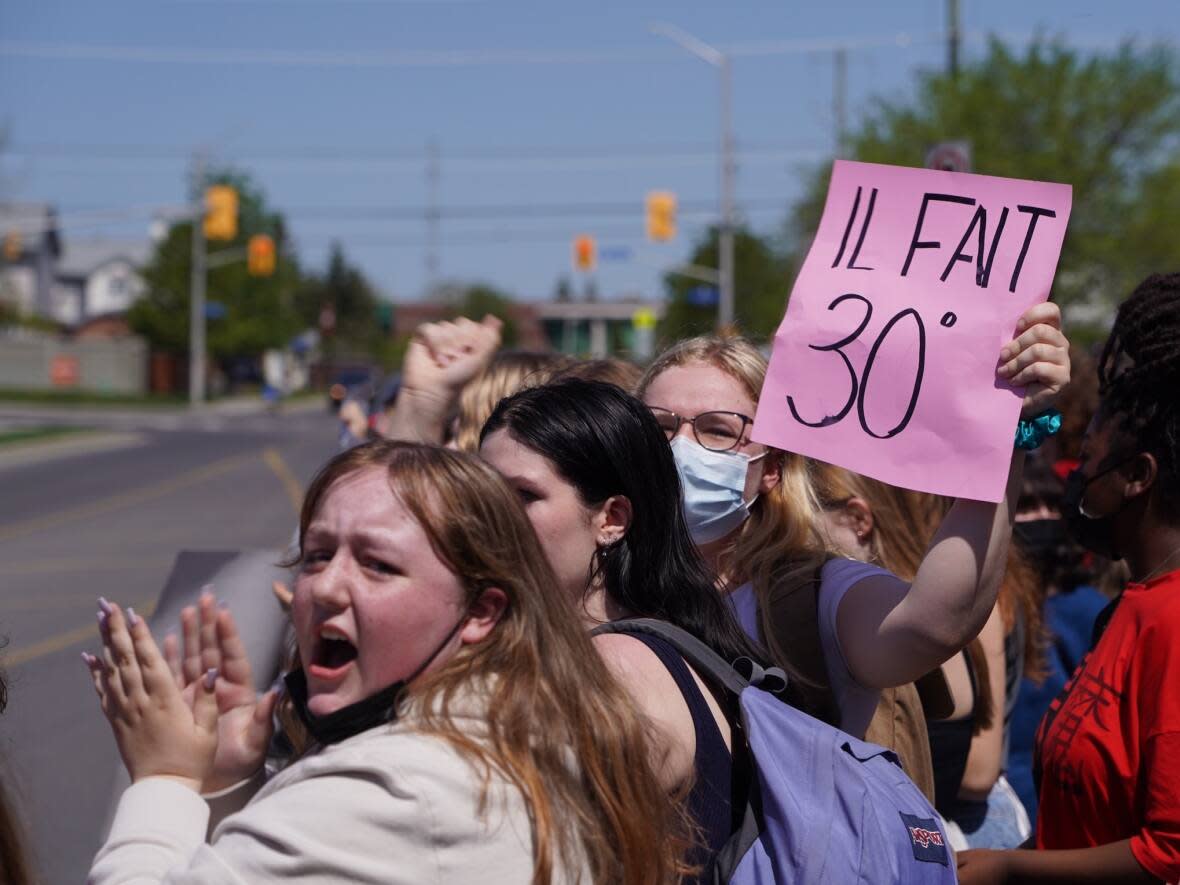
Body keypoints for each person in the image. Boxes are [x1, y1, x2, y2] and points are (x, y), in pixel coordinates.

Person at [85, 441, 687, 884]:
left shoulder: (400, 789)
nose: (325, 587)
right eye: (318, 555)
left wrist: (164, 780)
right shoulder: (521, 725)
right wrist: (222, 779)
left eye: (378, 565)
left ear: (481, 611)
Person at [635, 302, 1070, 742]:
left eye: (718, 430)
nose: (681, 449)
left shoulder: (813, 596)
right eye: (659, 428)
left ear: (772, 467)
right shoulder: (594, 586)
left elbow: (930, 625)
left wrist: (1006, 431)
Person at [480, 378, 767, 880]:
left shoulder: (614, 670)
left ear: (611, 518)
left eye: (524, 495)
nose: (486, 519)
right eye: (480, 494)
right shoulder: (651, 644)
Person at [957, 273, 1180, 884]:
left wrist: (1009, 869)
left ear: (1137, 474)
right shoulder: (1132, 607)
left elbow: (1170, 854)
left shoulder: (1172, 621)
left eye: (1089, 453)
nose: (1074, 471)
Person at [815, 467, 1044, 849]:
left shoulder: (950, 611)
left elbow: (979, 771)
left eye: (810, 508)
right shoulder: (829, 611)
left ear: (859, 520)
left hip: (963, 839)